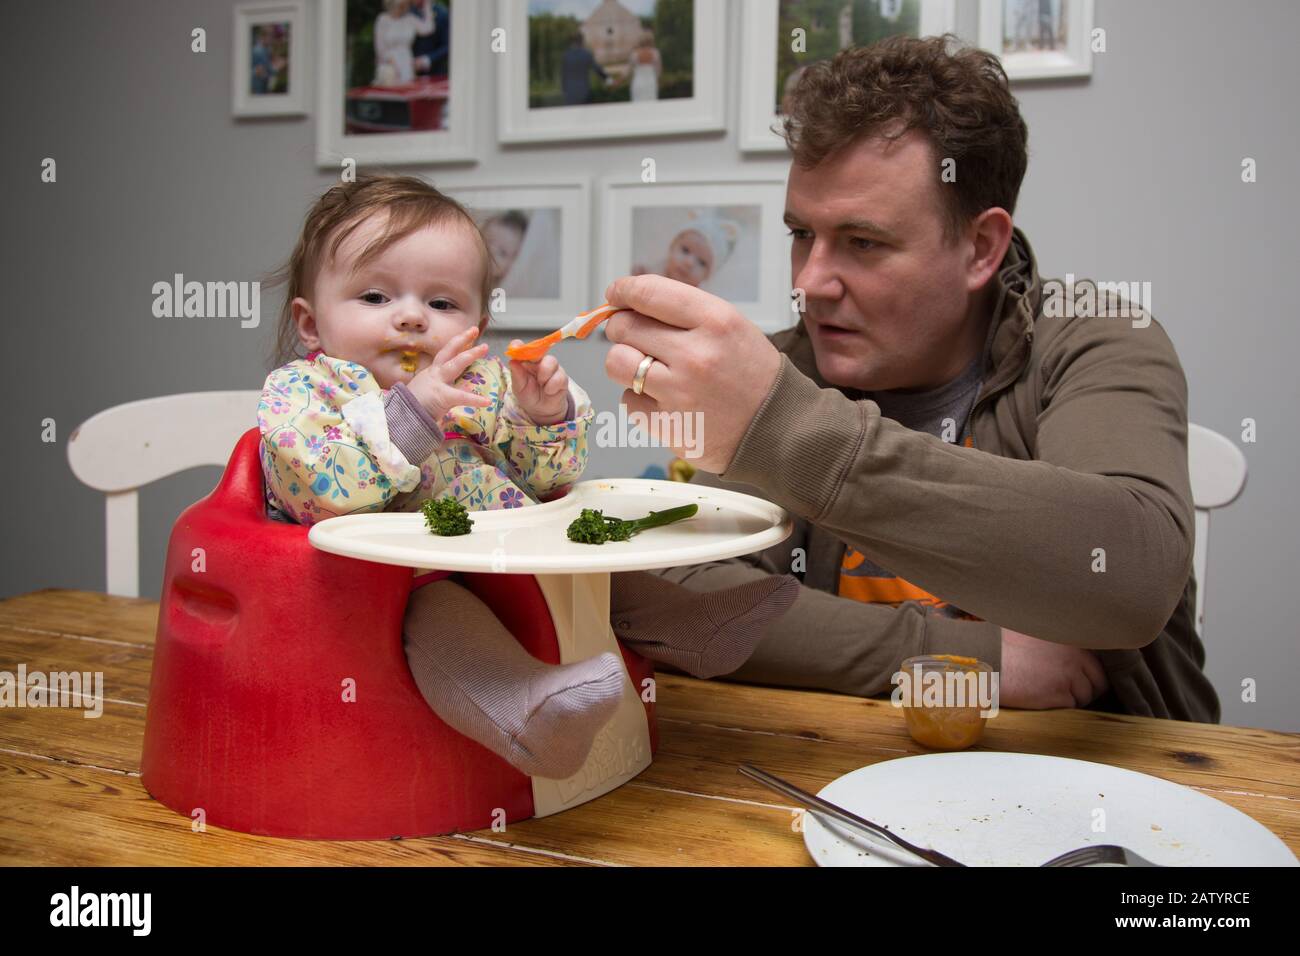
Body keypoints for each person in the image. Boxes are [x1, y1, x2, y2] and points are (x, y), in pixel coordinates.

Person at [598, 35, 1218, 722]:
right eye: (801, 233)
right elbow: (668, 596)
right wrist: (975, 663)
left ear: (981, 247)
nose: (810, 283)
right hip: (860, 782)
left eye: (863, 242)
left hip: (1129, 791)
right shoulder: (792, 366)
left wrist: (784, 430)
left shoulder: (1091, 333)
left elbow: (1128, 574)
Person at [258, 175, 800, 780]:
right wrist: (414, 414)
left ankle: (692, 627)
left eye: (441, 304)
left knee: (587, 565)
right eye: (376, 298)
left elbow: (548, 479)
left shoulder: (479, 384)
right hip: (389, 580)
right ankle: (527, 713)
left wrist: (544, 418)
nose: (412, 319)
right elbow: (325, 491)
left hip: (507, 547)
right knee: (436, 612)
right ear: (310, 322)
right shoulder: (306, 394)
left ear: (477, 321)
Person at [632, 210, 740, 289]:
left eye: (702, 263)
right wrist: (639, 275)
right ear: (672, 247)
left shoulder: (697, 296)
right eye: (685, 250)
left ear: (707, 276)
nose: (689, 263)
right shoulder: (657, 268)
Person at [373, 0, 434, 87]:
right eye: (400, 6)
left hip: (406, 62)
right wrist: (393, 65)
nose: (402, 9)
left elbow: (428, 28)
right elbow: (380, 48)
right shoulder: (382, 20)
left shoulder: (410, 19)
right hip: (388, 64)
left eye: (405, 5)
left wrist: (427, 6)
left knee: (406, 88)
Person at [560, 31, 608, 105]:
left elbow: (563, 75)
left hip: (569, 93)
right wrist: (608, 79)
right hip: (584, 93)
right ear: (581, 41)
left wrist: (564, 90)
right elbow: (597, 69)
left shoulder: (566, 56)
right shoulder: (586, 54)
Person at [628, 30, 661, 102]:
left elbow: (629, 70)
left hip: (638, 82)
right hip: (651, 82)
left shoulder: (634, 54)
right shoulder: (655, 53)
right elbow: (659, 71)